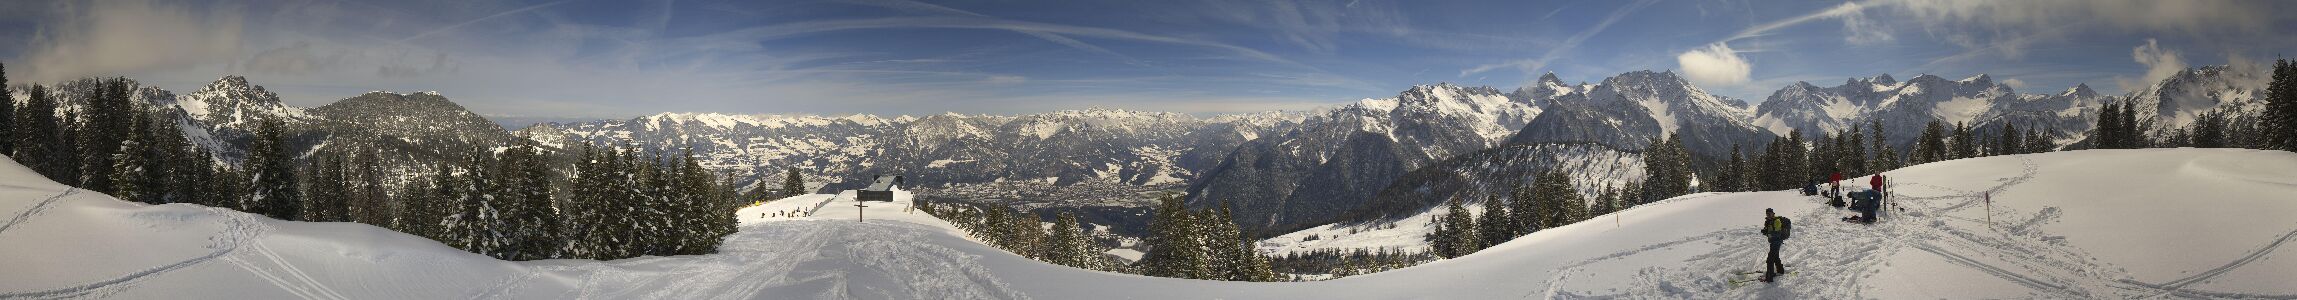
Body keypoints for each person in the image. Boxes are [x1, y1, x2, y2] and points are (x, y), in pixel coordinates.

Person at [1759, 208, 1792, 282]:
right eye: (1767, 214)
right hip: (1773, 242)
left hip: (1777, 242)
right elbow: (1770, 231)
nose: (1768, 215)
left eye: (1770, 214)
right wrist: (1765, 231)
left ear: (1773, 213)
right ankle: (1780, 271)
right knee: (1775, 257)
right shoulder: (1768, 221)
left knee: (1770, 259)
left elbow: (1778, 233)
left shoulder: (1776, 221)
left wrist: (1768, 233)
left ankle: (1769, 277)